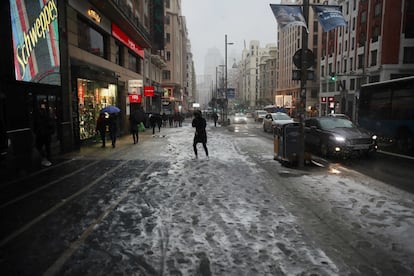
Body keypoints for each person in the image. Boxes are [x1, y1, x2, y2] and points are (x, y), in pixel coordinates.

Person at [34, 101, 55, 167]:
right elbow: (51, 124)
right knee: (46, 147)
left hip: (42, 134)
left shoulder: (39, 116)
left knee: (40, 146)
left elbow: (36, 125)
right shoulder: (47, 115)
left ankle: (46, 158)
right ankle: (47, 158)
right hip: (45, 134)